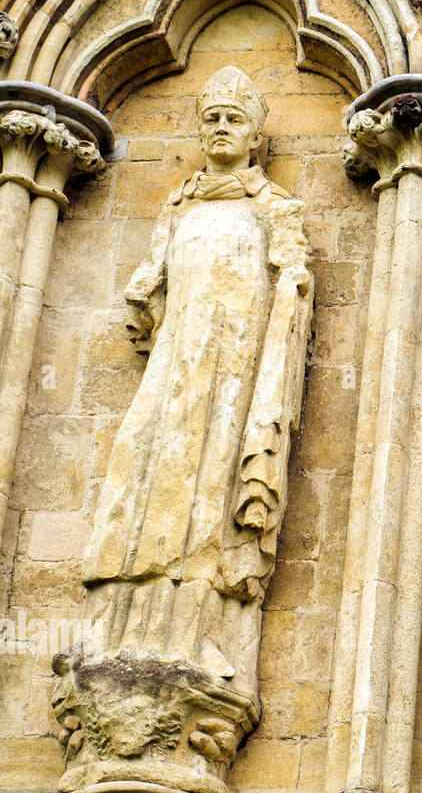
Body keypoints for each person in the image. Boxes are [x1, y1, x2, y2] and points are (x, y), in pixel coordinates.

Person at [81, 66, 313, 694]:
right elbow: (148, 290)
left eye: (234, 119)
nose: (220, 128)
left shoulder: (274, 208)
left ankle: (196, 629)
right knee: (145, 476)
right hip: (174, 367)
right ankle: (119, 630)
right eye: (211, 118)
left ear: (257, 137)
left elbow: (292, 289)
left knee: (211, 493)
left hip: (232, 378)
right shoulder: (178, 206)